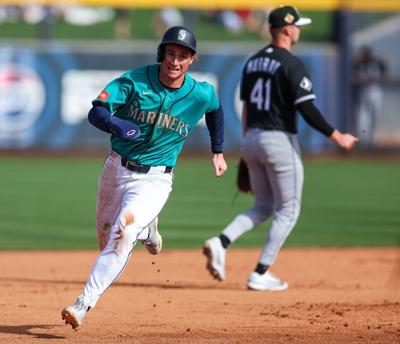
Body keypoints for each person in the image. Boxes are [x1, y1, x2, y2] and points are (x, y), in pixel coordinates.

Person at [61, 25, 227, 329]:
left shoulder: (200, 93)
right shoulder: (136, 80)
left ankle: (83, 303)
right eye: (170, 53)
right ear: (162, 53)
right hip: (115, 169)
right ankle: (149, 228)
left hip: (156, 179)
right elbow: (97, 111)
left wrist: (218, 151)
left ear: (192, 60)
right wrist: (117, 125)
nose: (175, 61)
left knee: (122, 235)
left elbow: (216, 110)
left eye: (183, 56)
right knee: (106, 242)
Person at [203, 6, 358, 291]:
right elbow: (307, 108)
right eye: (297, 26)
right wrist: (337, 136)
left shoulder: (252, 62)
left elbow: (247, 107)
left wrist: (248, 148)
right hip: (279, 141)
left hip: (252, 139)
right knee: (289, 210)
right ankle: (260, 272)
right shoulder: (292, 63)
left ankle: (220, 241)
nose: (299, 30)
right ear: (287, 29)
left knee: (263, 206)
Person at [352, 45, 387, 145]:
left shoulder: (377, 62)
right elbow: (352, 70)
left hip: (375, 92)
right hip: (363, 93)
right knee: (362, 118)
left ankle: (372, 141)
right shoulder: (359, 64)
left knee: (374, 118)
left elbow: (386, 67)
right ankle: (363, 140)